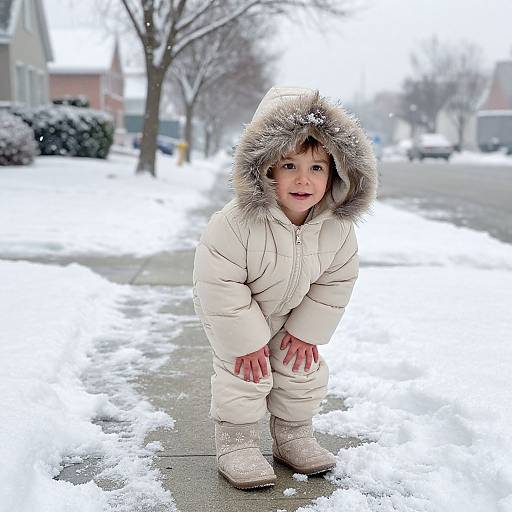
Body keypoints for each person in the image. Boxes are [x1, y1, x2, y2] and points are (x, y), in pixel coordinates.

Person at [192, 86, 378, 489]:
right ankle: (237, 442)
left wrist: (306, 330)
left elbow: (337, 279)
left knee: (301, 367)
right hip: (237, 311)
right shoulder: (236, 222)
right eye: (289, 165)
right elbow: (218, 279)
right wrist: (247, 338)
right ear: (267, 169)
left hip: (294, 311)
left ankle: (293, 434)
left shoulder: (337, 230)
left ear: (335, 174)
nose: (302, 180)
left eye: (316, 168)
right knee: (245, 370)